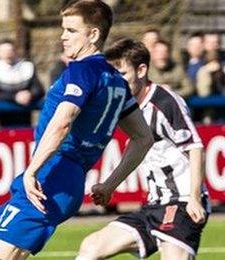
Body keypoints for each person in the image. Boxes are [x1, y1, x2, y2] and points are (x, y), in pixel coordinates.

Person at [0, 1, 154, 259]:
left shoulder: (82, 71)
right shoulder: (117, 81)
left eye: (72, 30)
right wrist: (110, 184)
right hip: (65, 177)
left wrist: (32, 171)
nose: (63, 36)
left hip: (53, 175)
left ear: (94, 34)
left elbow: (63, 122)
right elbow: (143, 138)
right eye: (63, 29)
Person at [78, 38, 209, 260]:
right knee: (91, 247)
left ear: (141, 70)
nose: (116, 82)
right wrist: (110, 186)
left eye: (122, 74)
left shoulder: (165, 102)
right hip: (153, 205)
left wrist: (195, 198)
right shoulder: (124, 106)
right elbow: (136, 149)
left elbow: (195, 148)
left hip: (181, 202)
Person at [0, 39, 44, 126]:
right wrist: (14, 97)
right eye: (4, 51)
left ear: (15, 51)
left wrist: (30, 95)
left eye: (10, 50)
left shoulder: (27, 67)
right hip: (4, 117)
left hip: (24, 115)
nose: (8, 54)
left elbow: (39, 90)